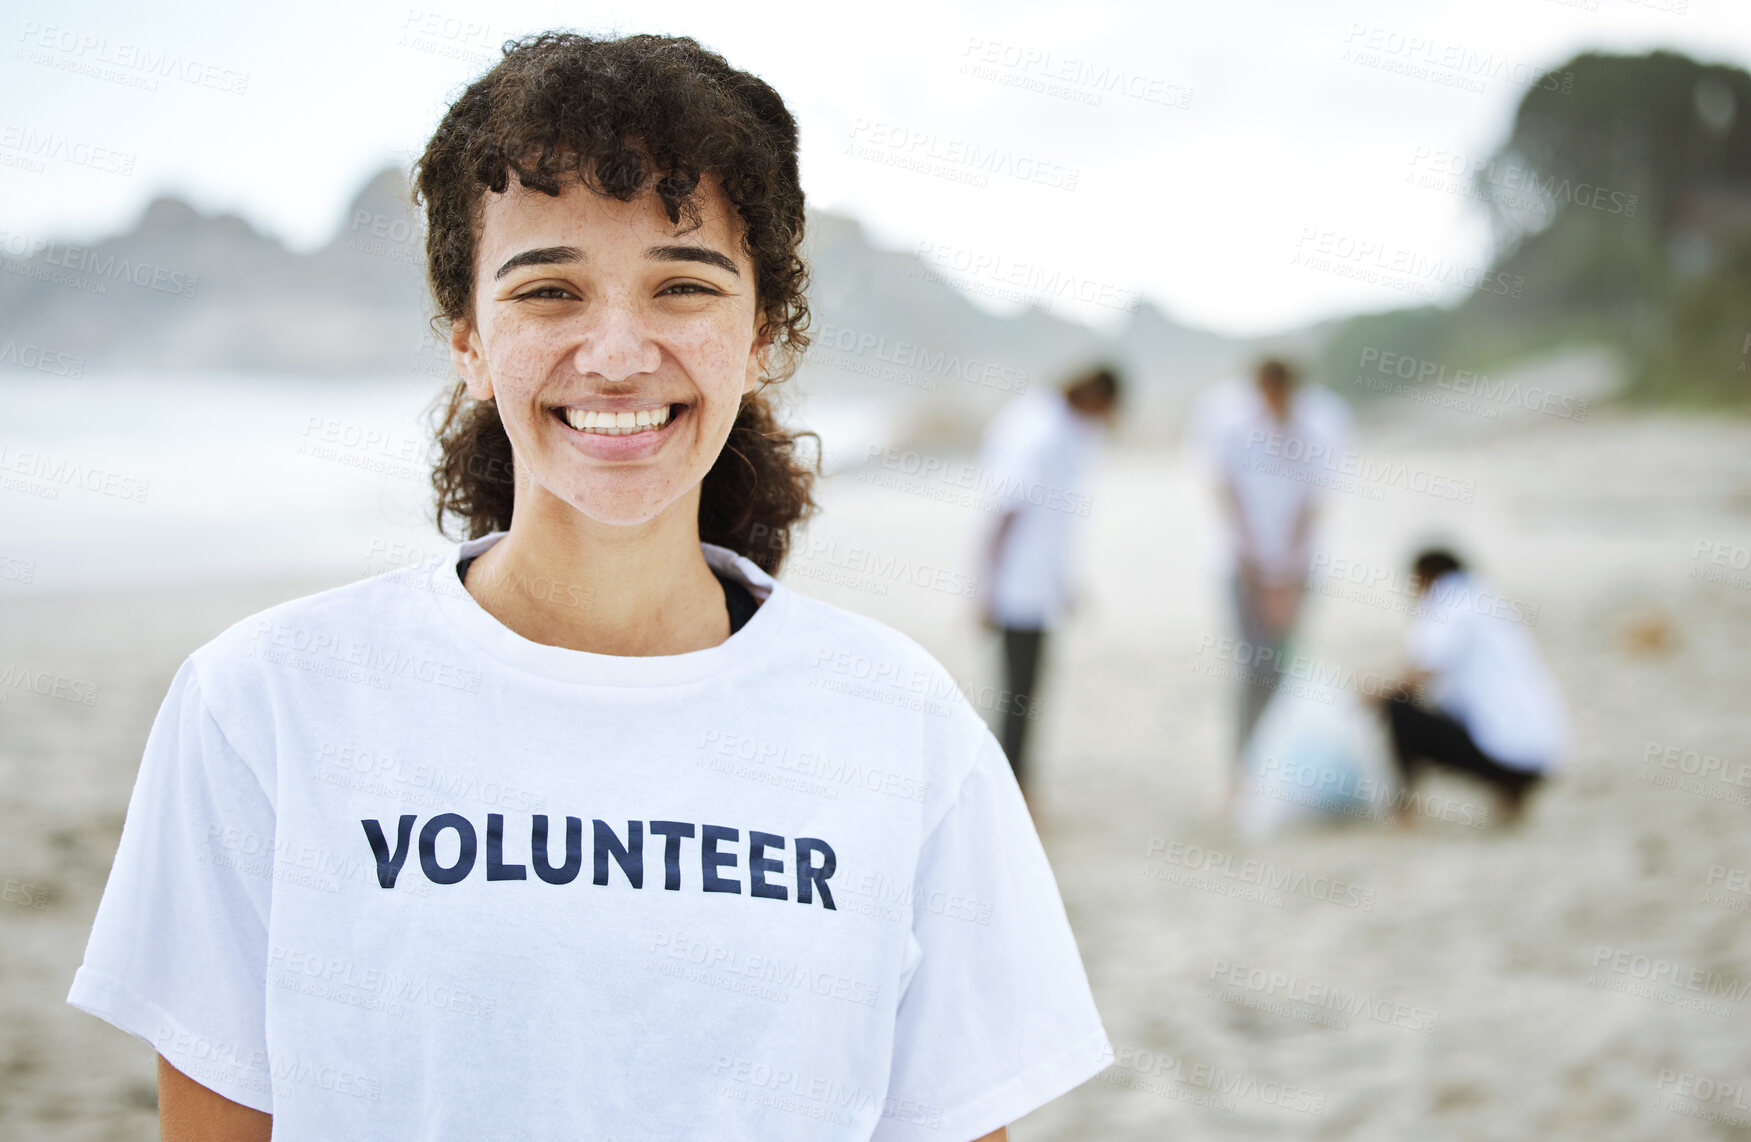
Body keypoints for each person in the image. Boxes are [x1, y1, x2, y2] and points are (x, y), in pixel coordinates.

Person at [67, 33, 1110, 1142]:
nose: (616, 353)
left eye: (682, 286)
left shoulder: (905, 728)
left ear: (760, 332)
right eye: (549, 289)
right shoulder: (262, 705)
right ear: (468, 336)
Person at [1191, 357, 1351, 802]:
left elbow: (1311, 506)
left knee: (1283, 667)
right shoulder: (1234, 428)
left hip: (1299, 569)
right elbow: (1228, 496)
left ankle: (1281, 768)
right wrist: (1260, 570)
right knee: (1253, 669)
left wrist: (1286, 575)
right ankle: (1243, 772)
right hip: (1242, 567)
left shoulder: (1317, 429)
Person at [976, 366, 1120, 797]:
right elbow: (1003, 512)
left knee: (1026, 693)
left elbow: (1055, 522)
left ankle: (1016, 787)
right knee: (1017, 697)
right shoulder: (1039, 430)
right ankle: (1009, 790)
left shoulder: (1061, 427)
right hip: (1016, 588)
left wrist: (1066, 581)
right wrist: (986, 587)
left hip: (1036, 586)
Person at [1380, 548, 1568, 824]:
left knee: (1398, 708)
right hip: (1544, 755)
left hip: (1504, 752)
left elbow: (1417, 675)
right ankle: (1512, 798)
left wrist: (1368, 694)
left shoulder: (1449, 602)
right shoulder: (1487, 599)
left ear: (1425, 577)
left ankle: (1405, 813)